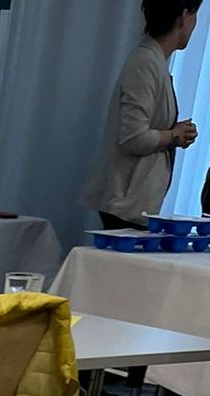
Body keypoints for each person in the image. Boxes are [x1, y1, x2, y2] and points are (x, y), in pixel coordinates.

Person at [83, 1, 200, 230]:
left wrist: (174, 132)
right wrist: (174, 135)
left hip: (135, 202)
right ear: (184, 16)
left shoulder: (154, 62)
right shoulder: (145, 63)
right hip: (126, 202)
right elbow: (132, 137)